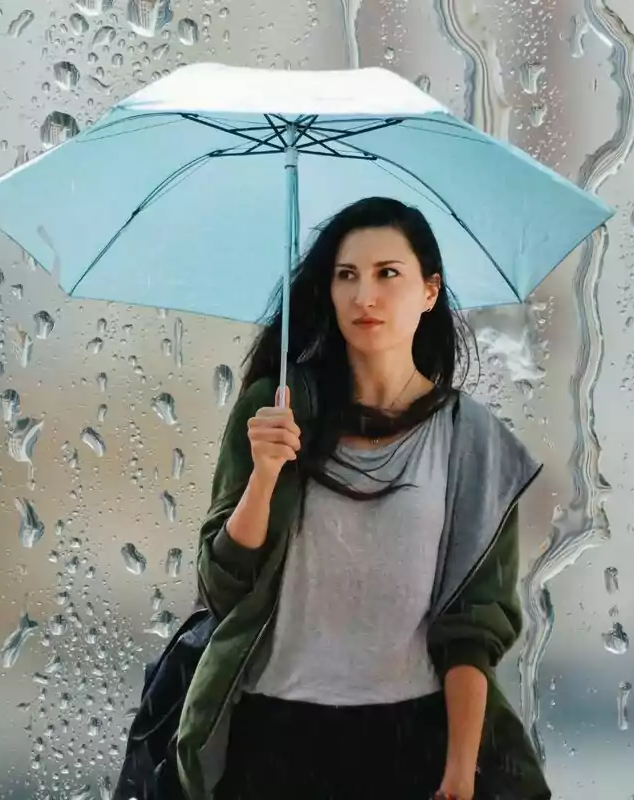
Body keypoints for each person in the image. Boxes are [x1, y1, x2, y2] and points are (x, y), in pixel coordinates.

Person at [173, 198, 551, 800]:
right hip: (272, 736)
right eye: (346, 275)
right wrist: (265, 474)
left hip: (410, 740)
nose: (363, 296)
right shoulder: (275, 411)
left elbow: (473, 630)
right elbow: (222, 588)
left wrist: (460, 773)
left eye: (386, 274)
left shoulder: (471, 440)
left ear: (430, 291)